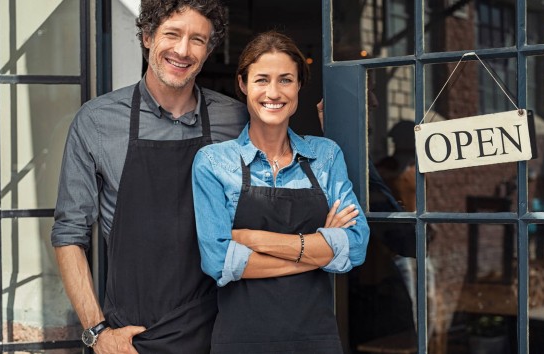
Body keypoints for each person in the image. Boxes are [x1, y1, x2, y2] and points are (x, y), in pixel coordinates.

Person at [50, 1, 248, 353]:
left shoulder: (235, 120)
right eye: (172, 34)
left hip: (221, 329)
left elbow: (281, 179)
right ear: (146, 36)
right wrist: (97, 333)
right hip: (132, 338)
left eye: (197, 40)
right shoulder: (96, 122)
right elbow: (69, 234)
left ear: (209, 50)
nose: (183, 50)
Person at [192, 31, 370, 354]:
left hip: (316, 340)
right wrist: (318, 253)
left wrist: (254, 239)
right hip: (241, 343)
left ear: (299, 85)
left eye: (285, 80)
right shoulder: (214, 163)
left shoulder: (326, 156)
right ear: (243, 85)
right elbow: (219, 261)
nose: (273, 92)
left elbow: (356, 245)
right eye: (262, 80)